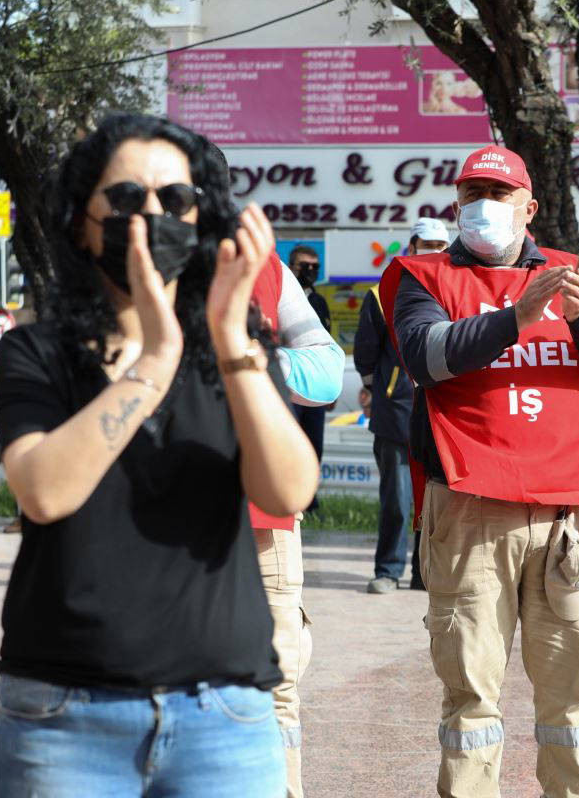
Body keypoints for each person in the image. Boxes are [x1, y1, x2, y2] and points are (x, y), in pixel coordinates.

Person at [0, 113, 319, 796]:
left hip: (225, 719)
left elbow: (287, 492)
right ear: (84, 222)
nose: (153, 215)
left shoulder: (234, 354)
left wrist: (230, 344)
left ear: (201, 222)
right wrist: (156, 356)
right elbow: (43, 491)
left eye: (176, 200)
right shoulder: (40, 352)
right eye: (128, 198)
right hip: (63, 719)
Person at [381, 144, 579, 798]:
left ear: (529, 207)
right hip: (469, 511)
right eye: (473, 196)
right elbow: (425, 358)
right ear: (456, 207)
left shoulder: (571, 270)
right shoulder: (422, 275)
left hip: (564, 517)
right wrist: (515, 319)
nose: (484, 209)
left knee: (571, 692)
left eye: (499, 197)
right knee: (471, 693)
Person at [251, 250, 345, 798]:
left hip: (264, 510)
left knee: (279, 676)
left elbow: (327, 370)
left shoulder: (262, 267)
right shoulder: (118, 258)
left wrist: (255, 363)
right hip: (161, 515)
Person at [355, 218, 447, 595]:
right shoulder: (381, 294)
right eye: (428, 244)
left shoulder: (451, 290)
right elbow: (365, 354)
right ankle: (388, 570)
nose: (436, 251)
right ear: (411, 246)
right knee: (396, 497)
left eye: (442, 244)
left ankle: (423, 572)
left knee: (435, 497)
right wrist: (376, 391)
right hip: (395, 411)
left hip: (440, 411)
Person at [288, 244, 331, 509]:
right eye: (305, 267)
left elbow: (328, 340)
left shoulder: (319, 301)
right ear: (292, 266)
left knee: (314, 442)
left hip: (314, 384)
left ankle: (309, 499)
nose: (310, 272)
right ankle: (290, 498)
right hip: (289, 382)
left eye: (315, 267)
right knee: (291, 441)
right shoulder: (284, 297)